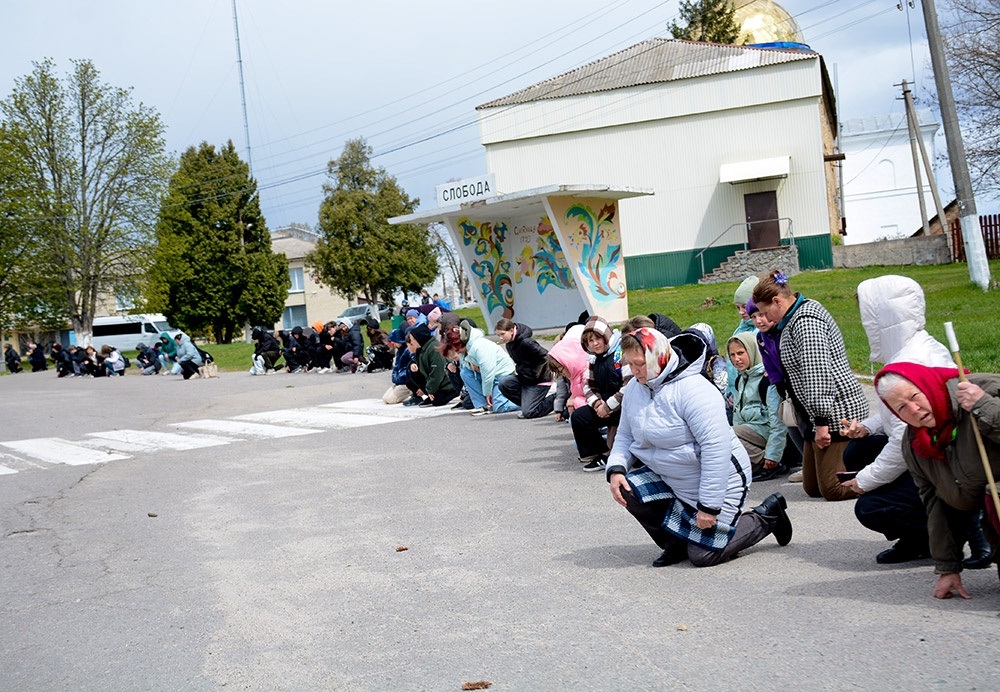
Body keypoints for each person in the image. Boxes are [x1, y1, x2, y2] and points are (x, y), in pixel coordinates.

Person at [606, 327, 792, 568]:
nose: (634, 370)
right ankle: (677, 542)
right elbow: (624, 435)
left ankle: (767, 515)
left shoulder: (695, 390)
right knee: (628, 488)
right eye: (629, 364)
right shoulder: (635, 388)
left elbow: (716, 451)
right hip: (675, 476)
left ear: (658, 357)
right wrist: (617, 469)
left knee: (703, 556)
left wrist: (709, 507)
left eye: (639, 363)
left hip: (722, 480)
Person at [838, 276, 973, 565]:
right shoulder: (910, 348)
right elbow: (896, 414)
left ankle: (943, 531)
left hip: (943, 460)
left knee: (870, 507)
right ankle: (921, 535)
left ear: (883, 318)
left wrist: (866, 480)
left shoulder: (914, 358)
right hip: (929, 451)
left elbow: (903, 441)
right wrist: (868, 426)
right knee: (857, 451)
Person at [874, 361, 1000, 599]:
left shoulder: (980, 391)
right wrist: (948, 568)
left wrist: (984, 406)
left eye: (915, 396)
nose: (913, 409)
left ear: (927, 387)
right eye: (901, 408)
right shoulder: (916, 445)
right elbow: (936, 503)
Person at [752, 269, 869, 501]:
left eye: (766, 312)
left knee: (833, 489)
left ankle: (879, 475)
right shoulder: (790, 319)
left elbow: (818, 375)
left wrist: (823, 424)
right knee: (812, 487)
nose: (765, 319)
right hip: (813, 417)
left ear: (777, 301)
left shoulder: (806, 321)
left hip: (837, 413)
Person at [571, 315, 630, 471]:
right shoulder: (593, 359)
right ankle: (595, 452)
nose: (595, 343)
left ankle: (609, 455)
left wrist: (609, 406)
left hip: (624, 407)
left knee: (618, 445)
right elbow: (588, 387)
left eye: (598, 338)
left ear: (606, 337)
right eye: (590, 341)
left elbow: (628, 387)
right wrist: (598, 404)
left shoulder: (620, 354)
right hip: (604, 407)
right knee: (579, 417)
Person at [727, 332, 787, 482]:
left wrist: (772, 455)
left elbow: (778, 423)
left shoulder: (767, 379)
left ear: (753, 350)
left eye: (741, 353)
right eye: (732, 355)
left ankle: (768, 461)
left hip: (766, 432)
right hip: (749, 433)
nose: (736, 359)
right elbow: (738, 417)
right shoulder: (741, 378)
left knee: (724, 433)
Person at [441, 320, 519, 416]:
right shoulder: (466, 348)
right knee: (465, 373)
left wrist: (487, 393)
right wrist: (470, 364)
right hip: (490, 377)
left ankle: (527, 402)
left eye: (457, 349)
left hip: (502, 376)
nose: (457, 353)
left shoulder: (480, 346)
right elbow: (465, 367)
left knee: (500, 407)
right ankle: (481, 405)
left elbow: (488, 372)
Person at [496, 318, 555, 420]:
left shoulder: (526, 342)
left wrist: (537, 373)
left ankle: (558, 398)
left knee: (530, 413)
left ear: (511, 330)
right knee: (504, 384)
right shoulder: (510, 343)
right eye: (498, 335)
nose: (500, 338)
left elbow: (547, 356)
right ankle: (528, 404)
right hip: (525, 378)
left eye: (502, 334)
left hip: (538, 380)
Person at [403, 324, 458, 407]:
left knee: (438, 401)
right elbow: (414, 360)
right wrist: (412, 365)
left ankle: (448, 393)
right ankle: (432, 395)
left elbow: (437, 373)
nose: (411, 342)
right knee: (411, 377)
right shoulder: (421, 349)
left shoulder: (434, 348)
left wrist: (430, 390)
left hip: (446, 385)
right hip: (433, 382)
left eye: (412, 340)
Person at [726, 276, 760, 409]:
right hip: (736, 393)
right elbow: (731, 366)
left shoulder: (762, 330)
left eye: (745, 307)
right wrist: (731, 391)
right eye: (737, 307)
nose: (741, 312)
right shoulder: (740, 329)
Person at [547, 323, 588, 423]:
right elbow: (561, 390)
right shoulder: (573, 376)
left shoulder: (586, 374)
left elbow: (595, 402)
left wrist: (574, 401)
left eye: (561, 371)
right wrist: (558, 409)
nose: (562, 374)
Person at [383, 328, 413, 404]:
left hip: (407, 381)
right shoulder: (399, 351)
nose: (393, 345)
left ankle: (412, 391)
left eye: (393, 343)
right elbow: (396, 366)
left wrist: (401, 378)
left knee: (391, 399)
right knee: (385, 398)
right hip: (400, 380)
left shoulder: (408, 350)